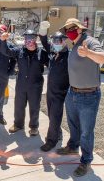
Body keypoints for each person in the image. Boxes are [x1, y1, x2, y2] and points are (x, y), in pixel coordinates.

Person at [56, 18, 104, 177]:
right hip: (73, 93)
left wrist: (88, 53)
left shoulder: (89, 42)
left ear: (79, 29)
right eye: (66, 29)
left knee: (86, 131)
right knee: (73, 125)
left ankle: (86, 160)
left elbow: (103, 58)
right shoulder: (74, 44)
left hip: (89, 95)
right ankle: (73, 146)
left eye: (71, 28)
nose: (68, 31)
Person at [0, 29, 48, 136]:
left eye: (31, 38)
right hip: (21, 84)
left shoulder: (42, 53)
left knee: (34, 107)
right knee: (19, 105)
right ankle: (18, 124)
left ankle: (34, 127)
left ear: (36, 39)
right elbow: (6, 51)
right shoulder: (19, 51)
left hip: (35, 85)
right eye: (27, 38)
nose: (29, 40)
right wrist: (3, 41)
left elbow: (52, 63)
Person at [38, 21, 70, 151]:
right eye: (55, 41)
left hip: (60, 92)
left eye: (59, 41)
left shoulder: (69, 56)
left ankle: (51, 141)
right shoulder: (52, 52)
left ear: (64, 42)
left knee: (55, 115)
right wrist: (43, 28)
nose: (56, 44)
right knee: (52, 115)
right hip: (50, 91)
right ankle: (59, 133)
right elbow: (44, 40)